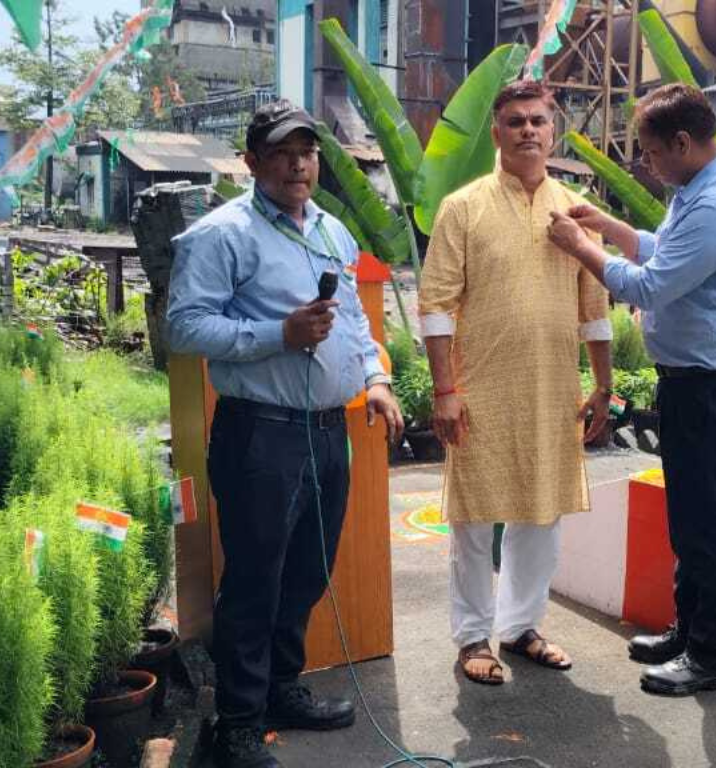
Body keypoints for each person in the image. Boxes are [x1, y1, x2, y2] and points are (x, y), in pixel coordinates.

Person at [166, 100, 404, 768]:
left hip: (327, 433)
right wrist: (280, 334)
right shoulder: (222, 235)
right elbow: (183, 326)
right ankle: (237, 725)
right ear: (252, 162)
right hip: (260, 436)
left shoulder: (332, 230)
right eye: (282, 153)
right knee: (254, 581)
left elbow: (352, 319)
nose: (299, 165)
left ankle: (279, 689)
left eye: (307, 152)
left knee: (306, 572)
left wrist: (376, 378)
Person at [546, 83, 716, 697]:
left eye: (650, 153)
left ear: (683, 142)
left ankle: (711, 655)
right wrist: (611, 228)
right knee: (690, 520)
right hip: (695, 382)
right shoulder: (697, 189)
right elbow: (664, 251)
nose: (647, 165)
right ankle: (689, 631)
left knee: (712, 525)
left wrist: (581, 247)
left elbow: (648, 286)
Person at [419, 79, 614, 686]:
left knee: (542, 515)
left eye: (538, 120)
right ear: (497, 132)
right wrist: (445, 391)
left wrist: (603, 385)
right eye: (515, 121)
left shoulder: (577, 213)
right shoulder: (463, 207)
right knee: (474, 519)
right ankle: (474, 636)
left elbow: (595, 306)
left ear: (553, 131)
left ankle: (521, 627)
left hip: (553, 391)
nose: (528, 130)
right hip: (479, 390)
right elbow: (435, 306)